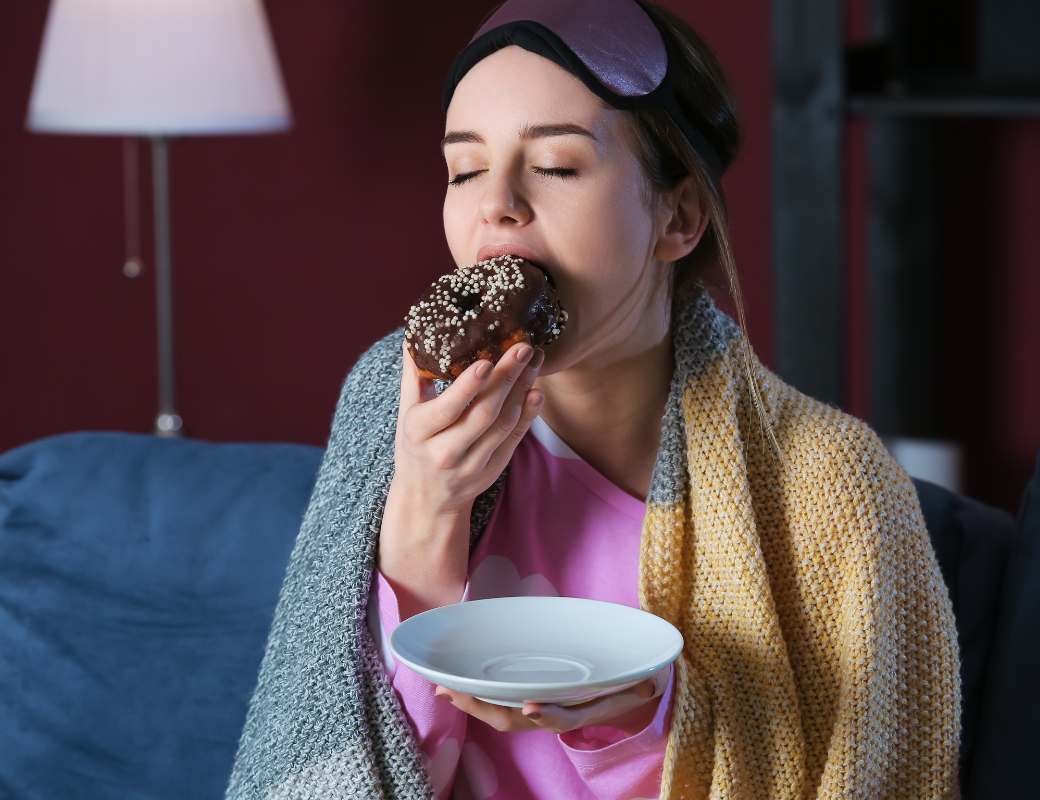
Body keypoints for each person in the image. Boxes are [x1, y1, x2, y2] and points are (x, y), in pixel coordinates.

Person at [225, 2, 962, 799]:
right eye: (464, 169)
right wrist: (426, 512)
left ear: (677, 216)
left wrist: (644, 719)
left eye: (556, 165)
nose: (495, 204)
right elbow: (339, 759)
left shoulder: (830, 486)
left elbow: (885, 775)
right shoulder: (389, 406)